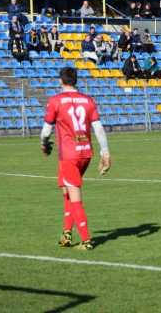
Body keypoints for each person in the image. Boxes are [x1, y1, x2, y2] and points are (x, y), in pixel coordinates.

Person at [40, 67, 111, 250]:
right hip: (85, 153)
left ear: (60, 81)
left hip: (69, 155)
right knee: (67, 192)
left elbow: (46, 130)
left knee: (75, 196)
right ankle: (66, 234)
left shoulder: (56, 101)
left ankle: (86, 240)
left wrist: (44, 143)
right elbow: (99, 128)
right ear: (76, 80)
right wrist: (105, 152)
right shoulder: (88, 100)